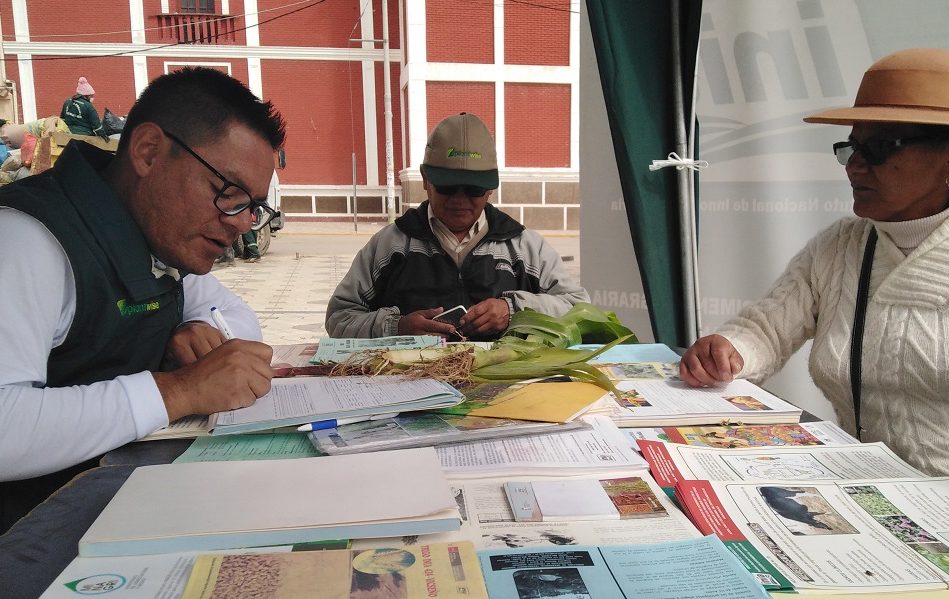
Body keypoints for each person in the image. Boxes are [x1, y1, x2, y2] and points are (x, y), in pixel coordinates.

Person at [679, 48, 949, 507]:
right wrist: (728, 351)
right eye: (853, 148)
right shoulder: (842, 247)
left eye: (880, 148)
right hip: (868, 499)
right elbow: (765, 330)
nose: (856, 166)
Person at [0, 67, 286, 530]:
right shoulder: (27, 240)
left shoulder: (155, 240)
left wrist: (199, 331)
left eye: (252, 205)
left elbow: (235, 315)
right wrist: (179, 390)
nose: (240, 222)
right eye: (228, 193)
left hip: (129, 509)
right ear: (149, 152)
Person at [325, 112, 588, 341]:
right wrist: (397, 327)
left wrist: (513, 310)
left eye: (473, 189)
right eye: (447, 187)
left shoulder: (525, 248)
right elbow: (339, 317)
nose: (460, 200)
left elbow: (580, 309)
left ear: (490, 188)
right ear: (425, 179)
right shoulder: (390, 245)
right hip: (414, 379)